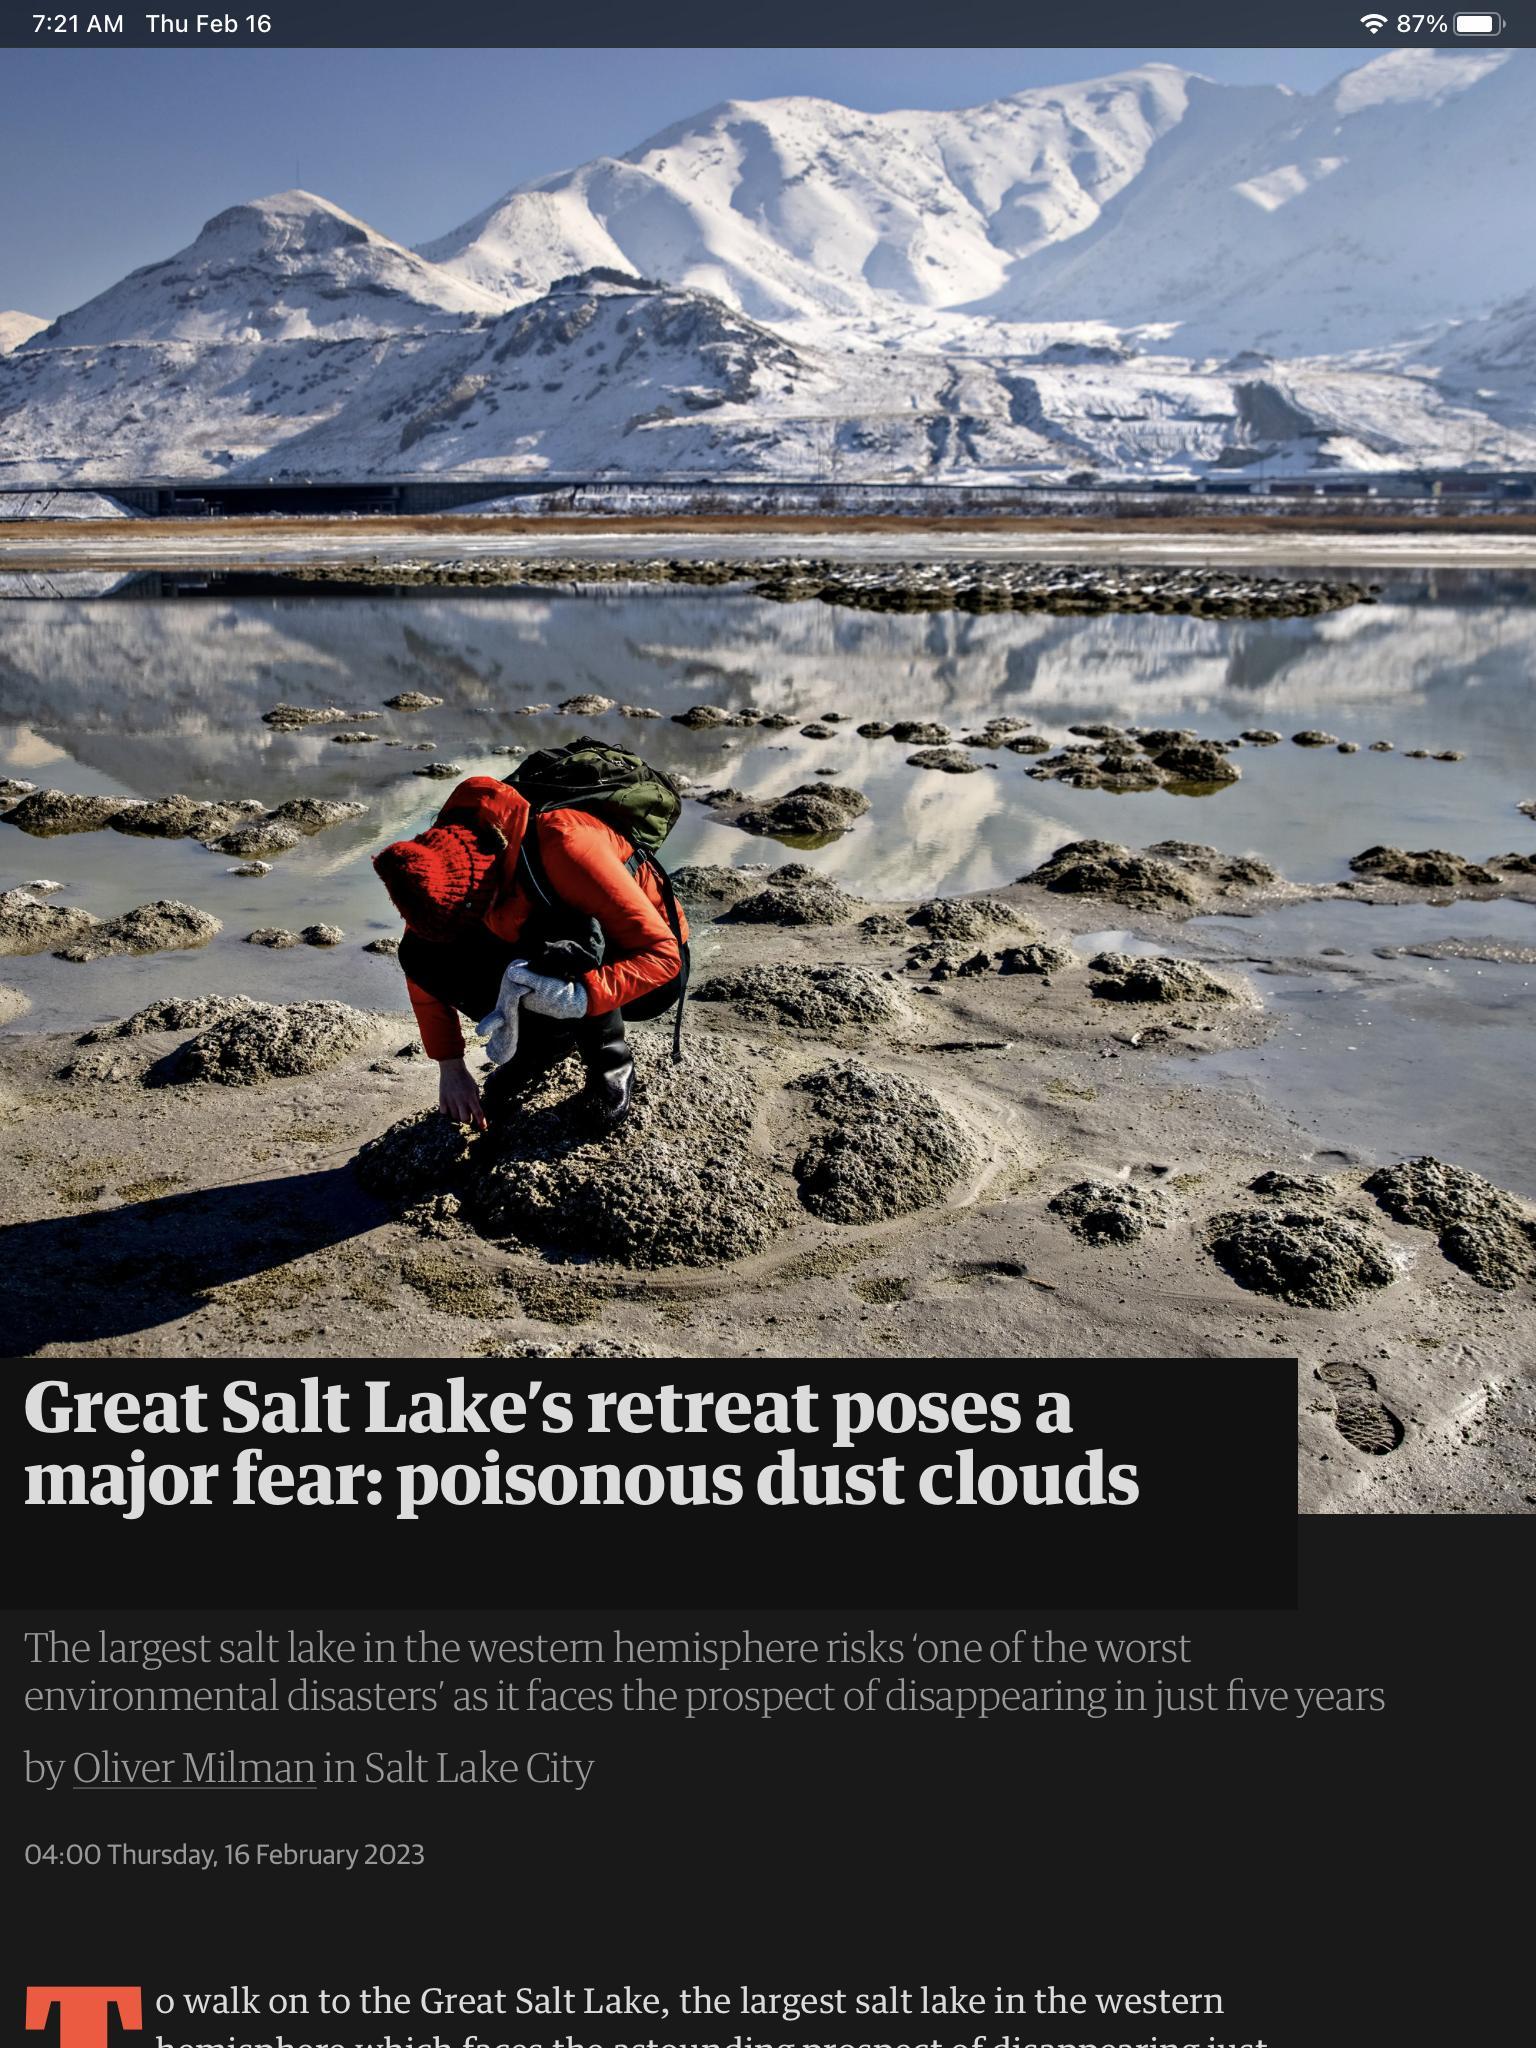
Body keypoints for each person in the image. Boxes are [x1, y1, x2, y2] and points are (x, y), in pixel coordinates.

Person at [373, 774, 688, 1132]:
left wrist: (582, 997)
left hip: (645, 971)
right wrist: (450, 1065)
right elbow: (425, 968)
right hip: (544, 938)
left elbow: (663, 956)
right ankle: (541, 1048)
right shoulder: (437, 864)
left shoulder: (565, 845)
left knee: (565, 936)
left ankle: (610, 1062)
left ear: (479, 891)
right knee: (421, 953)